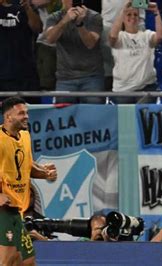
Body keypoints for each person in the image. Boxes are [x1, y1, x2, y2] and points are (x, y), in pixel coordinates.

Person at [0, 97, 57, 266]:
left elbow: (26, 167)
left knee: (27, 261)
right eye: (21, 113)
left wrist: (45, 173)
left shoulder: (25, 136)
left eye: (27, 113)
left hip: (17, 210)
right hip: (3, 210)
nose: (26, 116)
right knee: (8, 260)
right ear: (8, 117)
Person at [45, 0, 104, 104]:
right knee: (63, 115)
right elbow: (50, 39)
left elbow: (90, 43)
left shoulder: (94, 17)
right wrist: (65, 21)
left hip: (91, 76)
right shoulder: (54, 18)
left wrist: (80, 24)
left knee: (94, 114)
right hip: (65, 77)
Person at [108, 1, 162, 104]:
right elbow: (112, 37)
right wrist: (123, 9)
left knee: (143, 119)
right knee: (126, 120)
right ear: (123, 19)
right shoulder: (120, 36)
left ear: (139, 18)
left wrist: (156, 12)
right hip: (123, 90)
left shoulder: (146, 35)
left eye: (135, 14)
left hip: (146, 88)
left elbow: (160, 36)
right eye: (129, 15)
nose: (133, 17)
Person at [0, 0, 43, 104]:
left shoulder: (27, 5)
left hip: (26, 74)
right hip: (2, 74)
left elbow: (38, 28)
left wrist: (27, 8)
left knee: (30, 113)